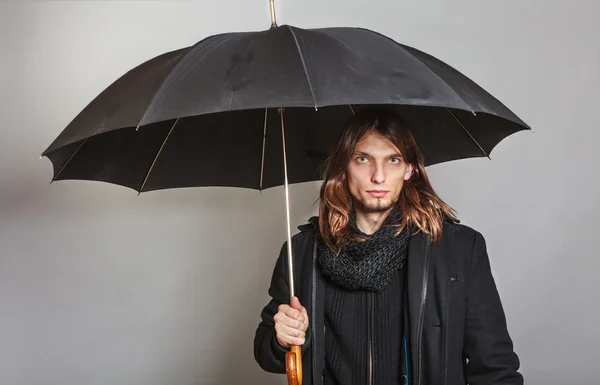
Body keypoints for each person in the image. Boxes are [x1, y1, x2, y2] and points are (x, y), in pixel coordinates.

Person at [253, 107, 523, 385]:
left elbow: (494, 367)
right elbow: (265, 352)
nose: (378, 176)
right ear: (343, 168)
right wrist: (281, 338)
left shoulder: (458, 248)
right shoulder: (302, 251)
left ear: (409, 169)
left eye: (392, 160)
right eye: (362, 159)